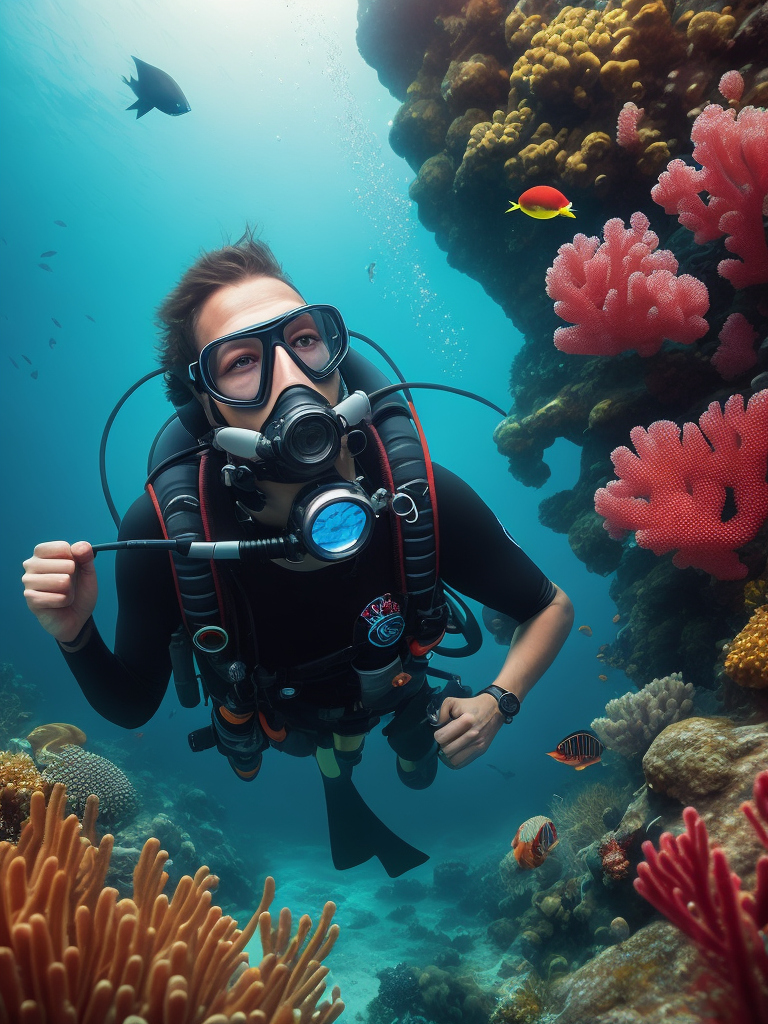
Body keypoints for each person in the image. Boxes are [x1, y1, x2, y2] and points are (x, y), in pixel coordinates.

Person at [22, 233, 574, 876]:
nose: (291, 377)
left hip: (396, 689)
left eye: (305, 339)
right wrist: (74, 633)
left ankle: (395, 753)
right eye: (241, 361)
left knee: (419, 757)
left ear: (336, 354)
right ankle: (337, 766)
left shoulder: (413, 493)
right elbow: (132, 704)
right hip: (278, 717)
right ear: (205, 401)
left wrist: (497, 703)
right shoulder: (172, 531)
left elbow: (549, 606)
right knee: (308, 749)